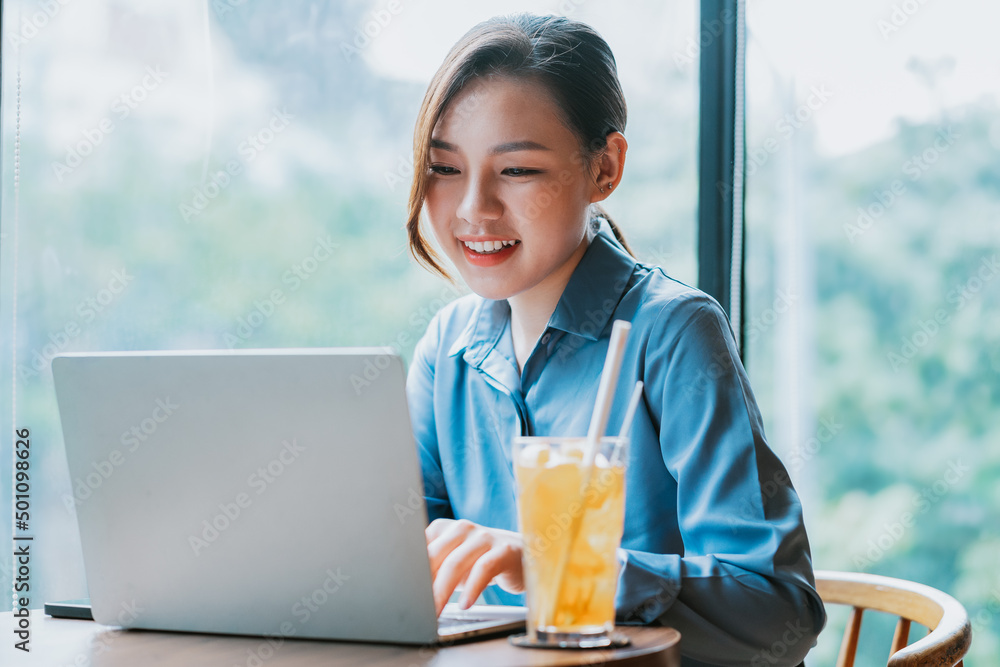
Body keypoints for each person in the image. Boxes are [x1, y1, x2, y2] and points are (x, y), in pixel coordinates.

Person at [403, 13, 826, 667]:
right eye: (444, 167)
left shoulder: (675, 333)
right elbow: (396, 576)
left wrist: (551, 565)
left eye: (516, 169)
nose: (472, 209)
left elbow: (780, 610)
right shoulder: (445, 351)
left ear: (604, 168)